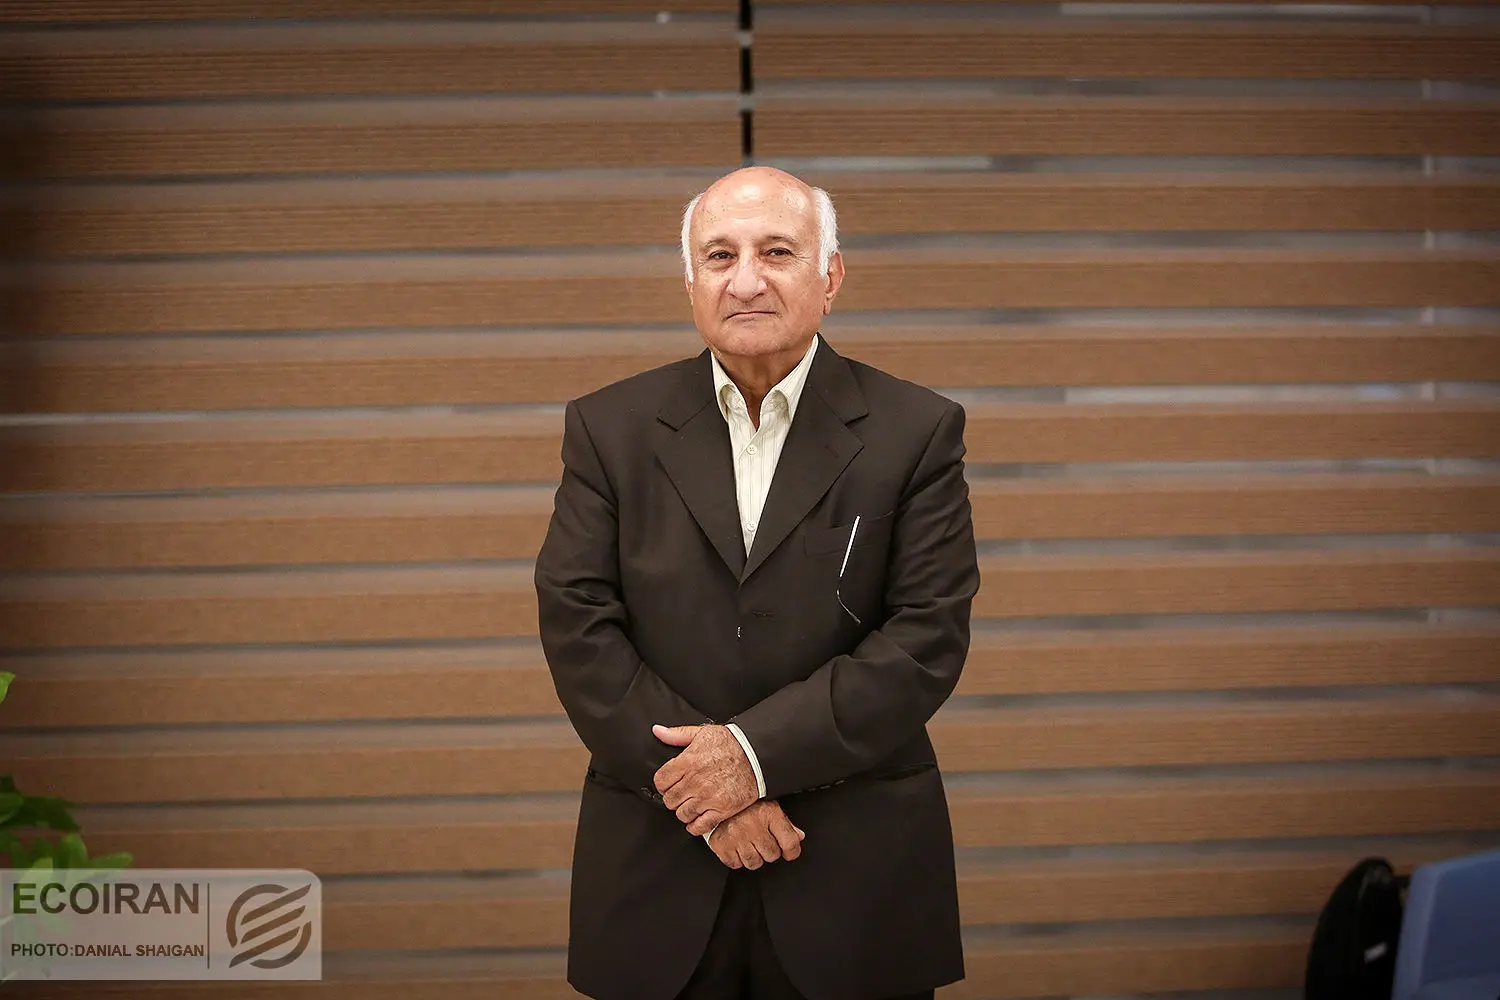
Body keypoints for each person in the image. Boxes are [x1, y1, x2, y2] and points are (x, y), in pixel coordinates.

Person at [534, 165, 980, 1000]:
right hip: (658, 863)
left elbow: (925, 638)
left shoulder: (917, 432)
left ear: (831, 275)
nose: (746, 281)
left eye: (777, 252)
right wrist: (709, 793)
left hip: (852, 871)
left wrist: (751, 759)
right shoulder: (608, 427)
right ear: (691, 281)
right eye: (720, 255)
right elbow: (577, 620)